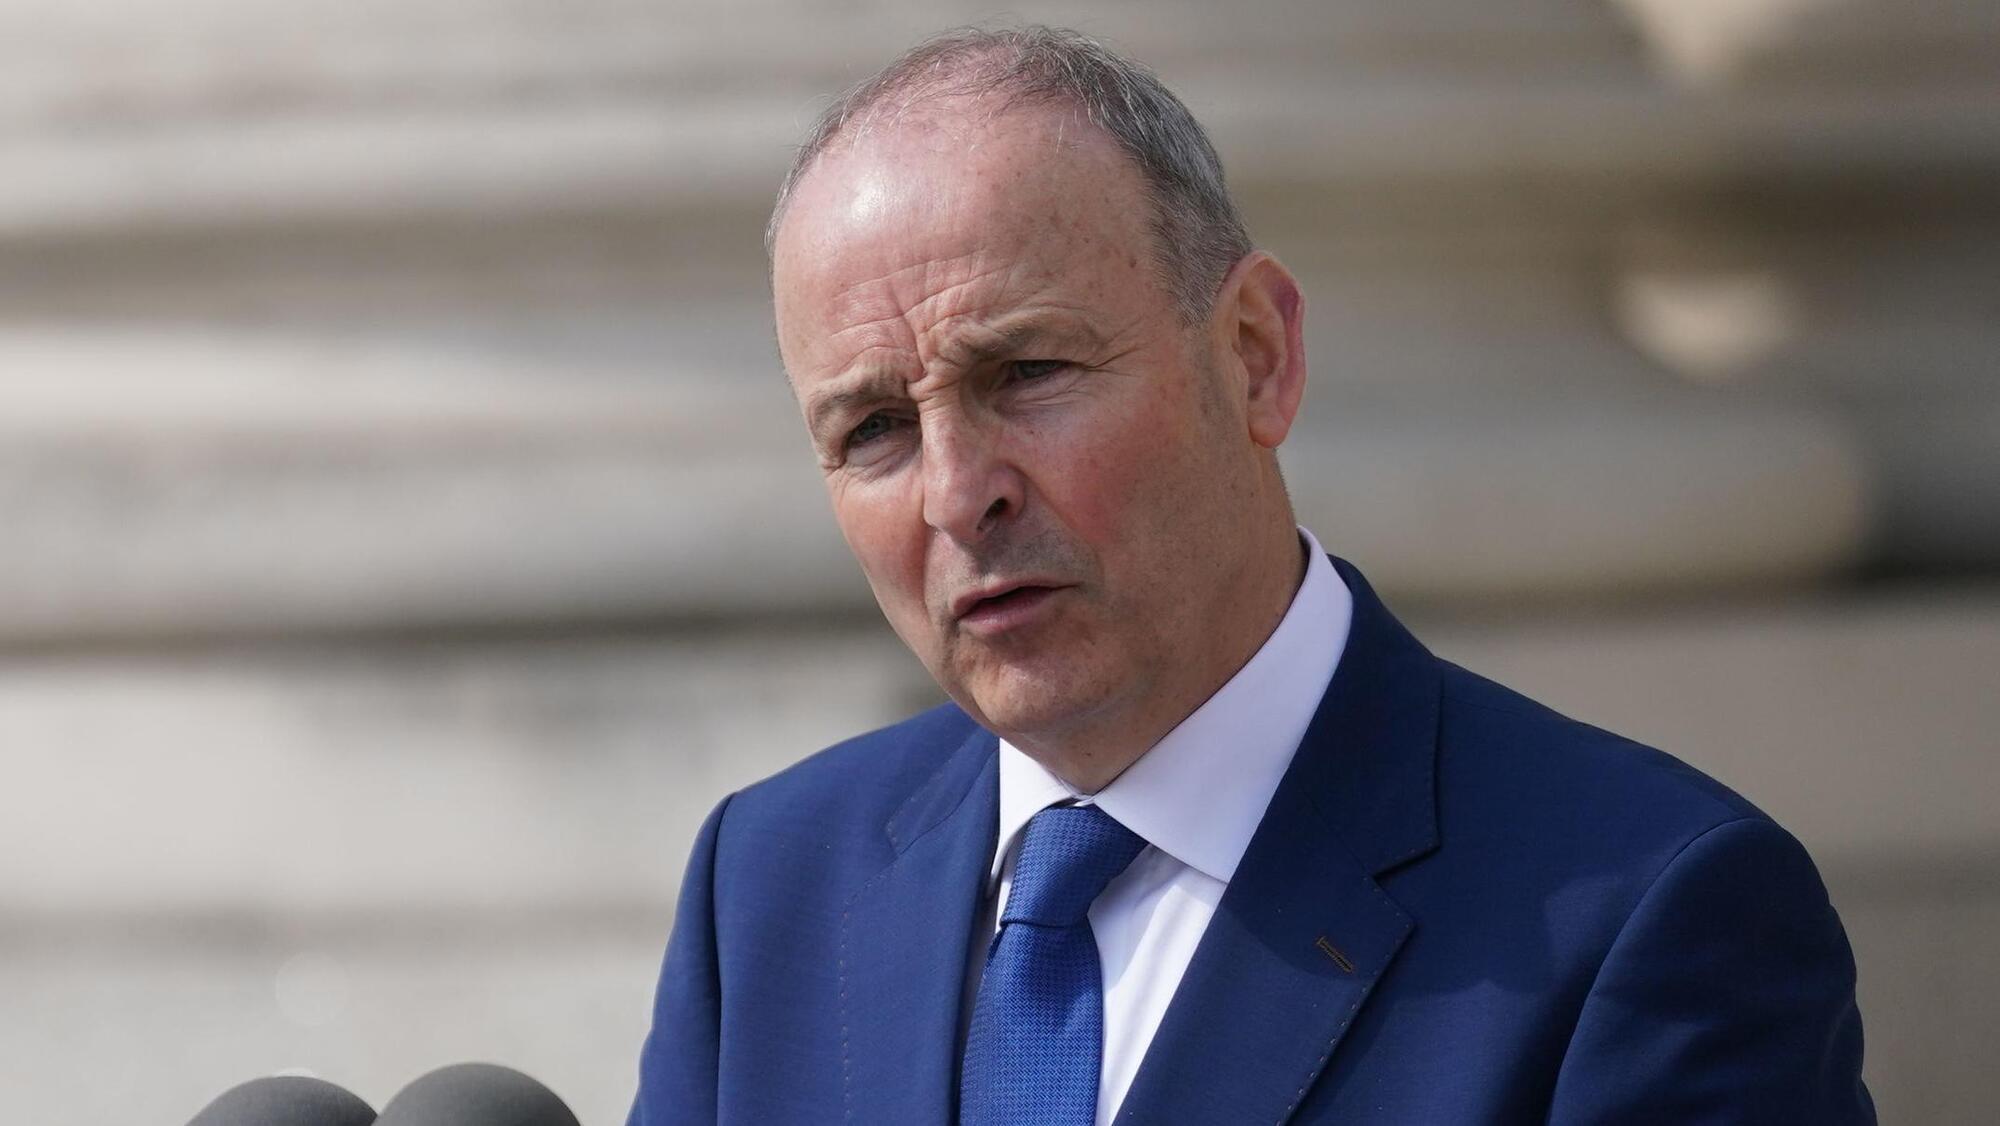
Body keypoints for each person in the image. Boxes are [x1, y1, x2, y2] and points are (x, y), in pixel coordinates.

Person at [629, 26, 1873, 1126]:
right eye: (873, 430)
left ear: (1254, 356)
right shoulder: (773, 884)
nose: (958, 494)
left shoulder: (1645, 916)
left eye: (1026, 373)